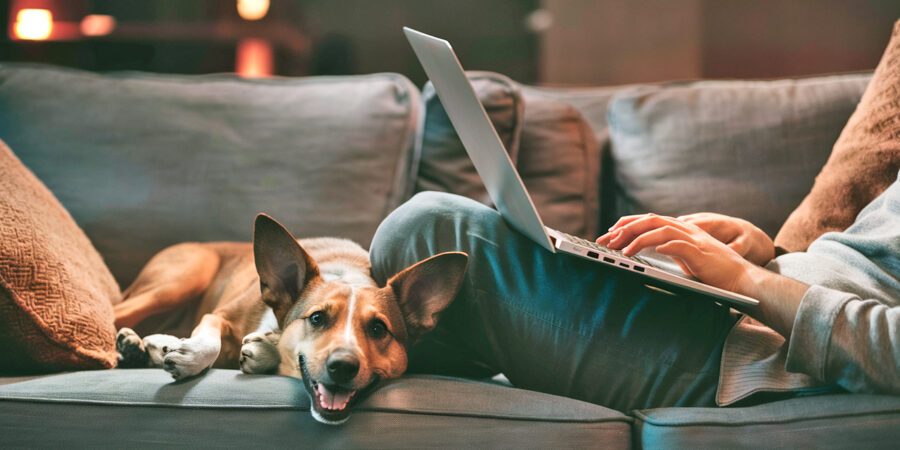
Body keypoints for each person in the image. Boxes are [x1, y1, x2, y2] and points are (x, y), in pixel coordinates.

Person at [368, 170, 900, 412]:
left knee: (425, 228)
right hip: (747, 312)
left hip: (756, 354)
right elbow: (864, 272)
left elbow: (886, 349)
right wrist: (766, 255)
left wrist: (745, 280)